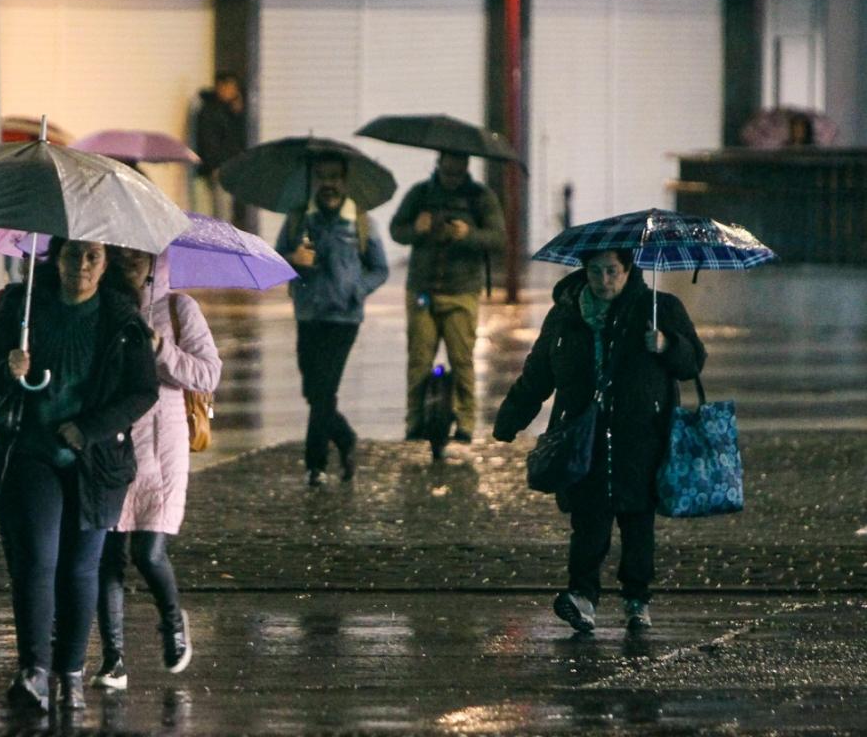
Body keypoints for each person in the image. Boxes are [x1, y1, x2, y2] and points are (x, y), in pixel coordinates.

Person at [0, 238, 159, 712]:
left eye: (93, 256)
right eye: (73, 255)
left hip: (96, 462)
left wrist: (89, 429)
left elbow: (143, 391)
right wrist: (7, 368)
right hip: (32, 452)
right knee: (37, 558)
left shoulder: (121, 319)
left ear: (106, 263)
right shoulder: (22, 305)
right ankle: (34, 669)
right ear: (56, 258)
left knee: (79, 567)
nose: (82, 265)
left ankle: (70, 672)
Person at [493, 249, 705, 632]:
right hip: (583, 435)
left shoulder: (659, 309)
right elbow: (539, 372)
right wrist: (510, 419)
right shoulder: (566, 314)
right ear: (585, 271)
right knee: (588, 520)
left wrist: (668, 344)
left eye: (612, 271)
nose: (604, 281)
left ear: (628, 270)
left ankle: (636, 598)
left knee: (637, 521)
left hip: (641, 436)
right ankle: (582, 596)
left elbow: (693, 363)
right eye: (595, 272)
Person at [93, 248, 222, 691]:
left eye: (140, 250)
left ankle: (172, 621)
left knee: (148, 553)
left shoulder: (179, 309)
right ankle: (113, 659)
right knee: (109, 555)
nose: (131, 257)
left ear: (156, 256)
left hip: (162, 448)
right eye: (121, 249)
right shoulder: (101, 305)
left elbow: (207, 374)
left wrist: (160, 348)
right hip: (112, 443)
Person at [274, 152, 390, 486]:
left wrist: (358, 289)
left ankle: (315, 464)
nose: (329, 184)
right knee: (313, 390)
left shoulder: (360, 221)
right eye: (322, 177)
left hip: (344, 318)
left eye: (335, 177)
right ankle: (345, 437)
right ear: (314, 181)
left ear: (344, 181)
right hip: (308, 314)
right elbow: (275, 258)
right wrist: (292, 258)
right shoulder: (298, 219)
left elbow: (379, 268)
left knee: (324, 391)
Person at [390, 151, 505, 444]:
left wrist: (468, 234)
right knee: (419, 361)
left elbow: (497, 238)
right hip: (423, 290)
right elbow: (396, 230)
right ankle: (414, 422)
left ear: (466, 166)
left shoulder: (481, 198)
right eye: (448, 169)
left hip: (462, 291)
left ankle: (465, 423)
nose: (453, 176)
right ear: (439, 163)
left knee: (462, 360)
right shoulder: (420, 194)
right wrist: (416, 229)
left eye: (459, 169)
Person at [192, 71, 247, 221]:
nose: (233, 92)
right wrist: (215, 165)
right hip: (217, 168)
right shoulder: (210, 111)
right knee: (221, 213)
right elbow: (208, 141)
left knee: (224, 211)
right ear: (220, 86)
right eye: (231, 87)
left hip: (225, 167)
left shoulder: (229, 110)